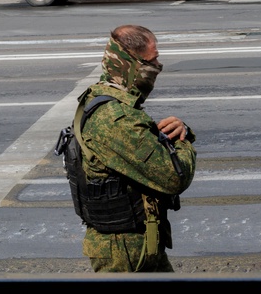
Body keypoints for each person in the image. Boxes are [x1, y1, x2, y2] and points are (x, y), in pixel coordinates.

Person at [76, 24, 197, 272]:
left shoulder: (102, 97)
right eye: (152, 62)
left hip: (135, 245)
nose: (157, 68)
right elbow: (174, 177)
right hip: (127, 252)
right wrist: (183, 141)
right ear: (130, 65)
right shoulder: (114, 117)